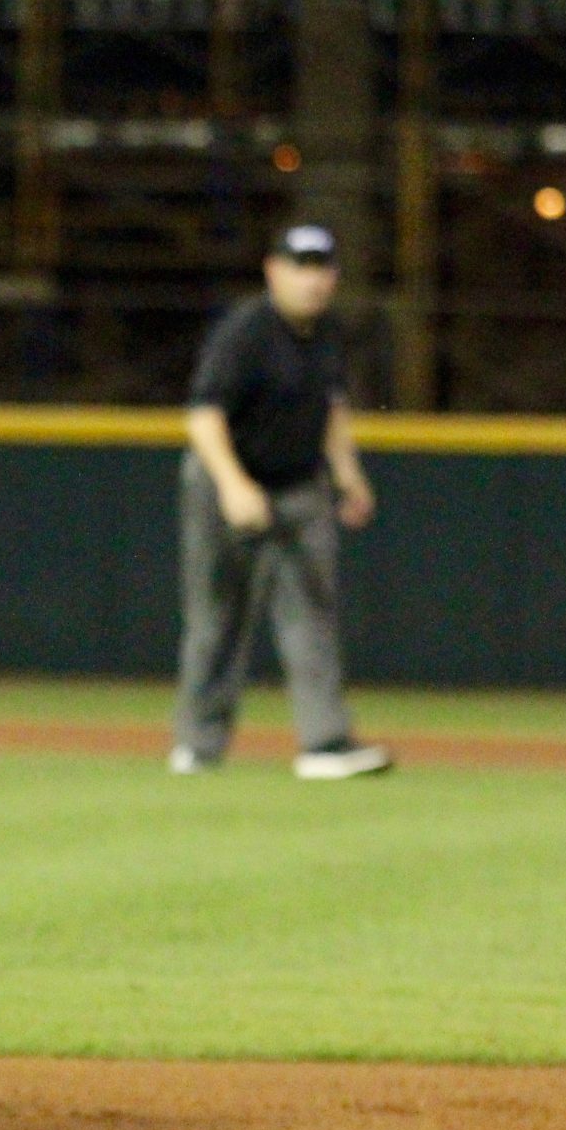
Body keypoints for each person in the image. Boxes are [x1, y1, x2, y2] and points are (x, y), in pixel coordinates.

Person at [169, 223, 392, 780]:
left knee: (311, 615)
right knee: (217, 617)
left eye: (321, 268)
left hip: (298, 488)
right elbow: (203, 416)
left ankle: (324, 743)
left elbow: (332, 407)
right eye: (301, 266)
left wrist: (348, 475)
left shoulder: (327, 335)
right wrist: (233, 485)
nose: (312, 280)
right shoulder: (244, 333)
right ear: (274, 271)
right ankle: (198, 745)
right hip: (228, 484)